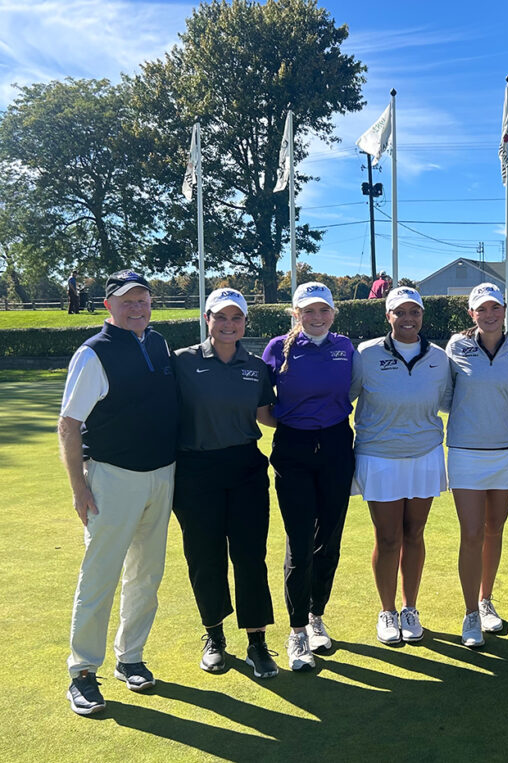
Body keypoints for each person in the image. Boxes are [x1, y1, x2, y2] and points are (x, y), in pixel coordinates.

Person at [57, 270, 177, 715]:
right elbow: (69, 424)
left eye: (143, 300)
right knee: (100, 576)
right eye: (127, 301)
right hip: (111, 476)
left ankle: (131, 658)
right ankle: (83, 672)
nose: (137, 308)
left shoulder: (158, 343)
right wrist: (79, 487)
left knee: (147, 574)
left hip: (161, 474)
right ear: (108, 305)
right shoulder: (93, 353)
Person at [173, 288, 279, 679]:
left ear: (245, 323)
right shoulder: (182, 362)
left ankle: (257, 642)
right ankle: (214, 637)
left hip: (245, 467)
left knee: (251, 556)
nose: (229, 324)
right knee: (205, 556)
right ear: (207, 320)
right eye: (221, 317)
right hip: (195, 470)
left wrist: (317, 419)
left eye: (236, 318)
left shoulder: (256, 366)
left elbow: (267, 414)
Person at [262, 282, 358, 672]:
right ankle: (298, 629)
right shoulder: (276, 348)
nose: (316, 318)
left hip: (336, 446)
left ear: (333, 314)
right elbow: (263, 406)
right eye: (308, 311)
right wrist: (294, 425)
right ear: (295, 314)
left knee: (328, 539)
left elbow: (351, 393)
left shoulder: (345, 347)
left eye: (323, 311)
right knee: (299, 542)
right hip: (294, 449)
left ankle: (318, 615)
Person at [352, 286, 453, 645]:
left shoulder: (440, 358)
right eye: (400, 312)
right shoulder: (364, 354)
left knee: (414, 533)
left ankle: (411, 609)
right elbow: (342, 398)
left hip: (425, 454)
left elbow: (449, 402)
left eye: (415, 312)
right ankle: (387, 610)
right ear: (387, 316)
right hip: (379, 456)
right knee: (389, 537)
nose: (408, 319)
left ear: (422, 316)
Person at [445, 283, 508, 647]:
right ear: (472, 314)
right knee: (471, 533)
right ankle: (469, 615)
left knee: (494, 529)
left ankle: (485, 601)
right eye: (482, 309)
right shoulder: (456, 347)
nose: (490, 314)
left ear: (504, 310)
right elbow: (445, 395)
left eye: (495, 307)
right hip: (465, 452)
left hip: (507, 451)